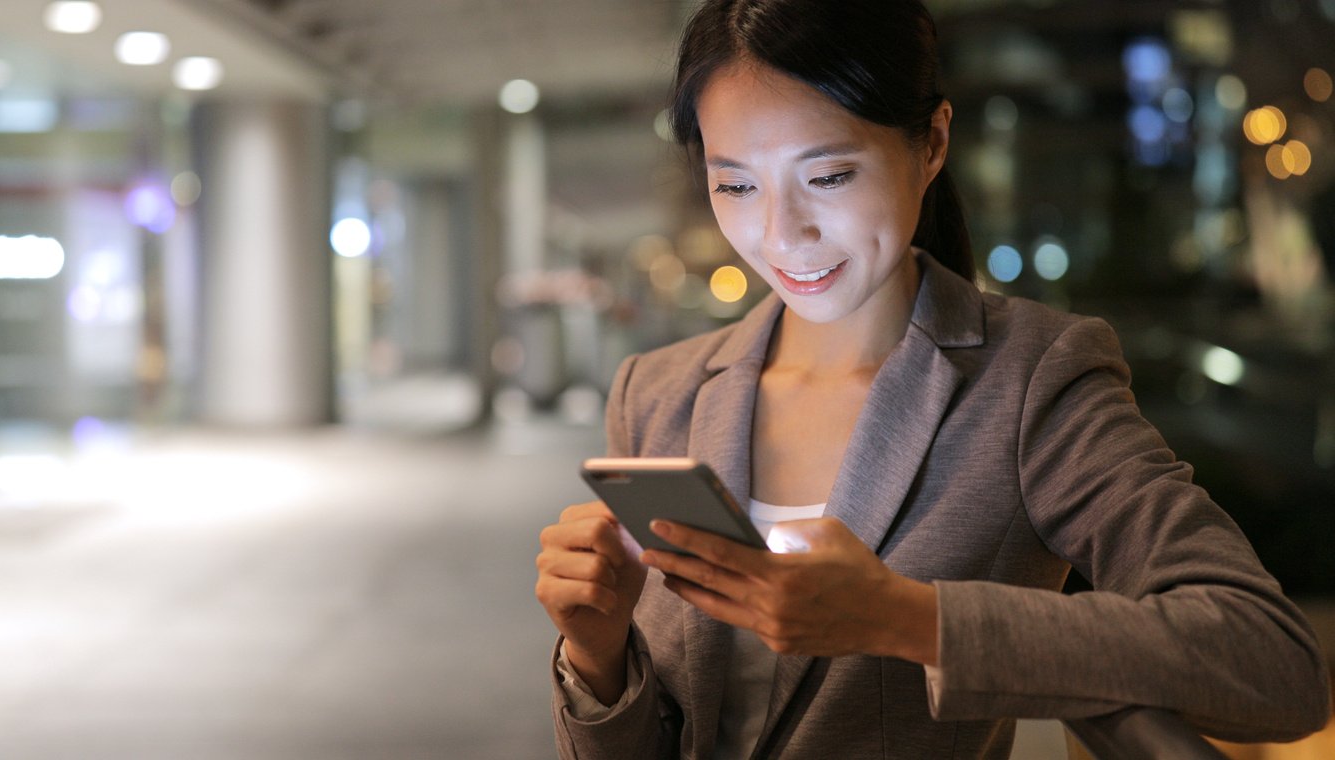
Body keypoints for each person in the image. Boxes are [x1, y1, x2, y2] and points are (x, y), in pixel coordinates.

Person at [533, 1, 1333, 757]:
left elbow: (1273, 664)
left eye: (830, 175)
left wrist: (909, 619)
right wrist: (596, 658)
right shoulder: (659, 392)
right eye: (736, 183)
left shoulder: (1028, 380)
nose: (782, 233)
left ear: (932, 144)